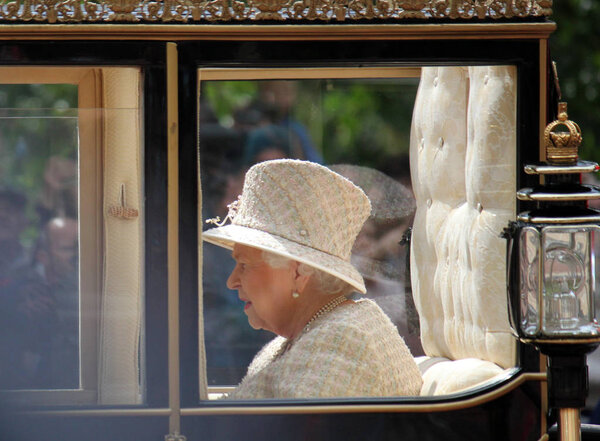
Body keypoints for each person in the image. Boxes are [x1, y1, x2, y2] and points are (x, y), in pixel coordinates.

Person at [203, 159, 422, 399]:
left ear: (298, 272)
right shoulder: (301, 338)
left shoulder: (341, 342)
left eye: (244, 264)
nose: (231, 281)